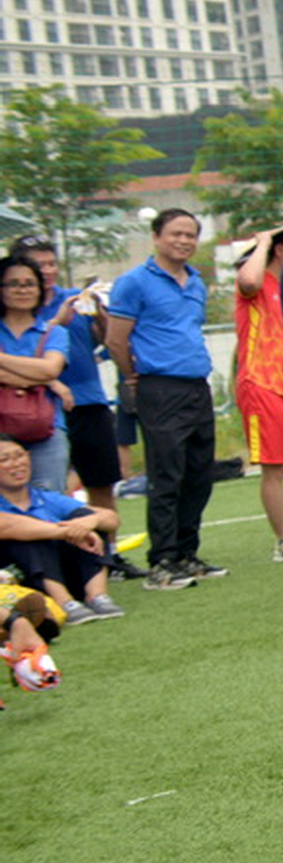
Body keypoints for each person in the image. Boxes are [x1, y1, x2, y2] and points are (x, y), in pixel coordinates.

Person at [103, 211, 220, 591]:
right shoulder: (134, 282)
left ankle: (188, 552)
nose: (184, 241)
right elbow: (116, 340)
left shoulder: (196, 282)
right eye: (176, 234)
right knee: (167, 473)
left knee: (199, 473)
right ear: (156, 237)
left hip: (196, 386)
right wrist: (134, 377)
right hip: (159, 387)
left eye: (191, 235)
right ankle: (163, 560)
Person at [19, 238, 121, 536]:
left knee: (101, 482)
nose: (47, 271)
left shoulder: (76, 297)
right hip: (41, 407)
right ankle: (59, 552)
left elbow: (104, 341)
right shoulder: (20, 306)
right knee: (49, 486)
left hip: (89, 400)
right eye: (39, 265)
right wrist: (57, 322)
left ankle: (109, 554)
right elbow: (18, 355)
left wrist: (102, 318)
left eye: (51, 263)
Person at [232, 223, 283, 562]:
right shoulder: (255, 284)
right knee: (273, 466)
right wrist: (264, 242)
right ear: (281, 250)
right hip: (261, 385)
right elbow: (248, 280)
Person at [0, 434, 124, 623]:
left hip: (61, 572)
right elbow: (8, 525)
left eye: (20, 456)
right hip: (19, 579)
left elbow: (111, 518)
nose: (17, 464)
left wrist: (88, 524)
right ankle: (64, 603)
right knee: (31, 535)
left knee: (86, 519)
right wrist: (65, 531)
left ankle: (97, 596)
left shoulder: (43, 497)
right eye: (5, 459)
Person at [0, 254, 72, 497]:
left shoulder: (54, 332)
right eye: (13, 284)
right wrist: (44, 379)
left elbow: (50, 368)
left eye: (30, 284)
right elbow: (44, 372)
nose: (23, 290)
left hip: (46, 428)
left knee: (48, 497)